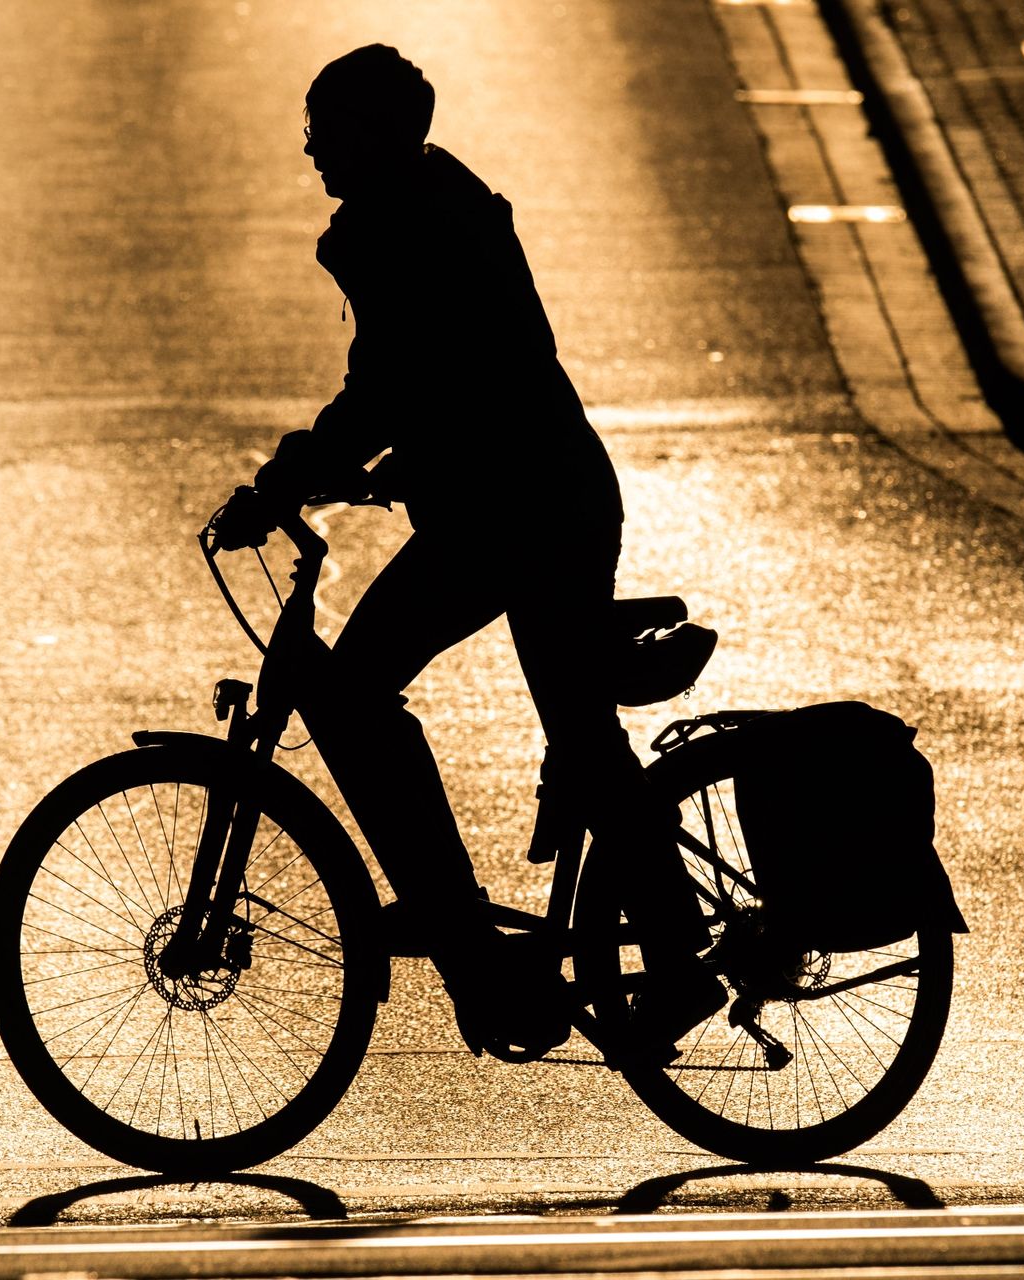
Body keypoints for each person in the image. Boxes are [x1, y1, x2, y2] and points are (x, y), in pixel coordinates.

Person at [216, 44, 717, 1062]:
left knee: (369, 696)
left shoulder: (405, 225)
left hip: (522, 512)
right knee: (558, 728)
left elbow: (390, 387)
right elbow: (459, 378)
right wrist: (393, 465)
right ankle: (511, 943)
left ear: (374, 133)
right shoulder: (429, 205)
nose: (309, 147)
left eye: (325, 127)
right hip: (525, 497)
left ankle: (567, 955)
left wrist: (281, 483)